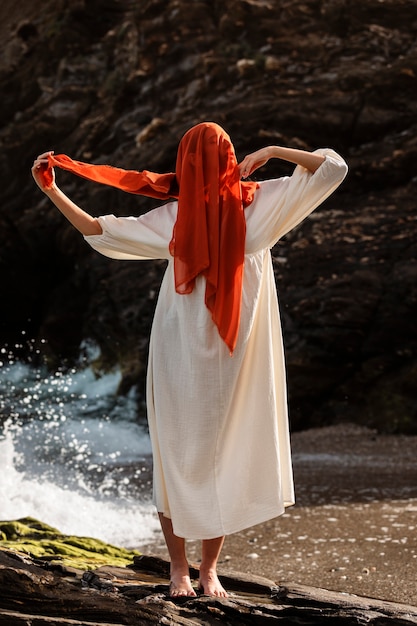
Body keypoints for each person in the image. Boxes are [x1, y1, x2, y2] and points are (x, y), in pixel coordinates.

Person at [32, 121, 347, 598]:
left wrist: (52, 192)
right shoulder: (215, 209)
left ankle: (195, 569)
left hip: (220, 352)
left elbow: (97, 230)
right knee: (200, 452)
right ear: (230, 156)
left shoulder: (254, 202)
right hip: (212, 349)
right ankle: (195, 570)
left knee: (187, 454)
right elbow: (330, 168)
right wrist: (274, 150)